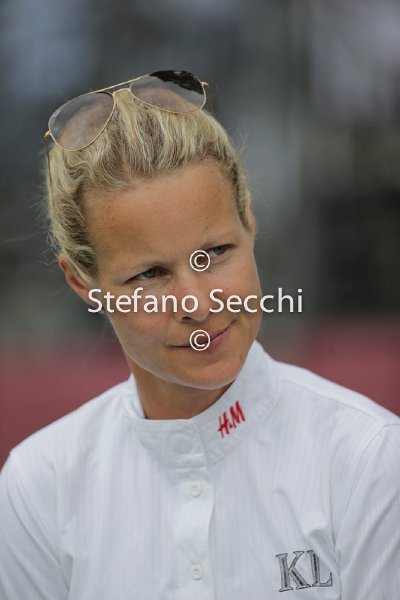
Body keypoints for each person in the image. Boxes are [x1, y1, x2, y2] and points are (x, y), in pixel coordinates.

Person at [0, 70, 399, 600]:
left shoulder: (369, 457)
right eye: (149, 275)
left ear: (249, 221)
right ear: (81, 282)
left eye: (214, 253)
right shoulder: (39, 487)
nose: (198, 303)